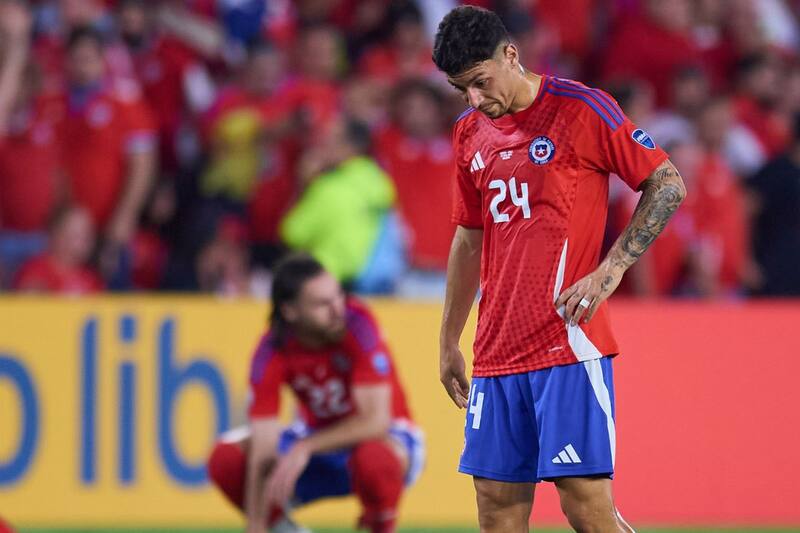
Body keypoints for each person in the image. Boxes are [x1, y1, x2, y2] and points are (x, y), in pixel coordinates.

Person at [433, 6, 686, 533]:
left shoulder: (582, 109)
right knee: (496, 513)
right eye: (462, 90)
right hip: (496, 352)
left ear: (511, 54)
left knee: (586, 511)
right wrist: (448, 339)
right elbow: (468, 237)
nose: (474, 100)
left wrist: (610, 270)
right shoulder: (468, 134)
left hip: (566, 343)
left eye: (479, 82)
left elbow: (666, 184)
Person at [206, 254, 424, 533]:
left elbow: (376, 422)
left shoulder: (359, 323)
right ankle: (283, 529)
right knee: (226, 458)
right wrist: (256, 524)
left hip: (386, 442)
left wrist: (306, 447)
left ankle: (379, 523)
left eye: (338, 296)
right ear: (290, 311)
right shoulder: (271, 350)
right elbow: (263, 447)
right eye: (323, 304)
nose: (338, 309)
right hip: (317, 445)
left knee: (374, 458)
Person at [13, 205, 103, 294]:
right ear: (56, 233)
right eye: (76, 234)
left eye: (88, 233)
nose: (86, 240)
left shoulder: (91, 279)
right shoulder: (34, 272)